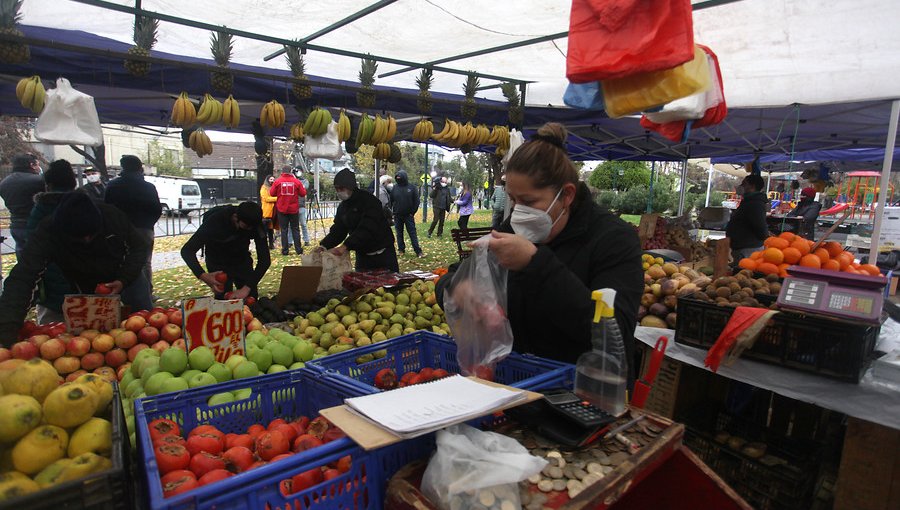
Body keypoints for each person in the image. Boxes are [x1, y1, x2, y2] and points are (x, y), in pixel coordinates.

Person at [435, 123, 643, 381]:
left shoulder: (613, 239)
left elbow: (614, 332)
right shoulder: (511, 228)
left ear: (566, 195)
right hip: (520, 385)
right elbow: (454, 275)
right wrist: (460, 288)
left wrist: (535, 264)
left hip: (583, 393)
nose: (519, 211)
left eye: (530, 202)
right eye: (514, 200)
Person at [0, 192, 153, 343]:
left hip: (124, 274)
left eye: (91, 235)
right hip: (83, 282)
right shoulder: (48, 232)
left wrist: (123, 279)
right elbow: (23, 278)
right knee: (95, 332)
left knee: (142, 322)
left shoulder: (112, 216)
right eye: (80, 238)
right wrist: (7, 328)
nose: (87, 240)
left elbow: (139, 247)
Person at [180, 202, 271, 300]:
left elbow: (264, 260)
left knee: (251, 298)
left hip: (240, 258)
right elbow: (187, 250)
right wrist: (204, 276)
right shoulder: (215, 221)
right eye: (245, 227)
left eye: (251, 228)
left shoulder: (255, 224)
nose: (248, 230)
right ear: (235, 218)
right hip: (217, 260)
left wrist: (247, 288)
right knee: (223, 300)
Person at [26, 160, 78, 324]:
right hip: (82, 283)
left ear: (49, 184)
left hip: (49, 281)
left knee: (50, 331)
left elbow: (32, 247)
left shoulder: (40, 210)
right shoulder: (83, 207)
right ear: (73, 183)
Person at [104, 155, 162, 301]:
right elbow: (156, 209)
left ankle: (122, 291)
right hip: (144, 228)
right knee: (145, 262)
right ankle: (146, 293)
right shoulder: (148, 187)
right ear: (139, 168)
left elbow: (107, 209)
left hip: (120, 231)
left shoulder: (114, 186)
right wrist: (148, 224)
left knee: (122, 261)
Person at [320, 168, 399, 272]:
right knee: (362, 286)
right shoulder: (343, 207)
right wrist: (324, 245)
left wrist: (345, 246)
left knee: (388, 285)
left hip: (383, 253)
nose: (339, 192)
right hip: (363, 255)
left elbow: (367, 227)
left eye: (341, 188)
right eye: (337, 189)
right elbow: (338, 229)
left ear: (350, 187)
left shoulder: (369, 201)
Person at [0, 154, 44, 260]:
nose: (39, 167)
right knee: (40, 257)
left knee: (23, 257)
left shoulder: (4, 183)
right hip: (35, 223)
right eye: (38, 164)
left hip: (16, 223)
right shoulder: (38, 181)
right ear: (32, 165)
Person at [725, 174, 770, 261]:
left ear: (752, 186)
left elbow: (760, 226)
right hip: (741, 247)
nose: (741, 186)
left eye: (744, 184)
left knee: (743, 271)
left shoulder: (755, 203)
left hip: (747, 249)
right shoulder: (748, 201)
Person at [270, 166, 305, 255]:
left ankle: (285, 250)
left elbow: (272, 193)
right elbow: (303, 193)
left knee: (284, 230)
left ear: (282, 171)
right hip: (293, 209)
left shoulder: (278, 181)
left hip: (281, 209)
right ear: (290, 171)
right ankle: (298, 249)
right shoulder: (296, 181)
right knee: (295, 229)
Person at [390, 170, 424, 258]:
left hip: (408, 215)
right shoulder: (395, 187)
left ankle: (418, 251)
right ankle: (401, 249)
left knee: (412, 233)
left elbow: (416, 201)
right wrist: (393, 213)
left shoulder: (412, 188)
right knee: (399, 233)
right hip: (397, 215)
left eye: (400, 178)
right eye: (397, 178)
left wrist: (412, 212)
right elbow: (391, 200)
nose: (399, 179)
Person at [260, 174, 277, 249]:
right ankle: (263, 245)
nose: (272, 181)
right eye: (270, 179)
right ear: (267, 180)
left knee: (271, 230)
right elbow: (266, 198)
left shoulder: (274, 188)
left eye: (273, 179)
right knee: (265, 230)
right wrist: (277, 198)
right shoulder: (264, 188)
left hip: (273, 212)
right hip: (266, 212)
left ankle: (271, 245)